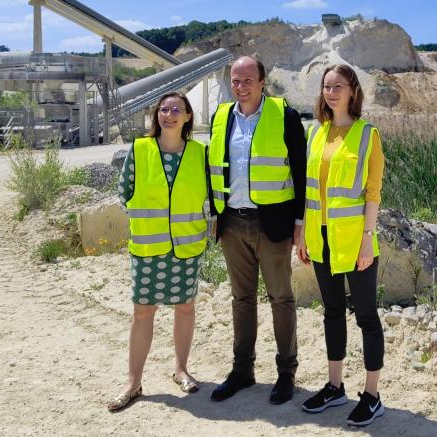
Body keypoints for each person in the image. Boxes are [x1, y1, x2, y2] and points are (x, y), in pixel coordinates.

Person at [206, 56, 307, 405]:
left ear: (263, 82)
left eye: (248, 79)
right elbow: (213, 168)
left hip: (273, 224)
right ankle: (242, 371)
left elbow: (301, 172)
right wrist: (215, 214)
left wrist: (300, 223)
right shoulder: (220, 118)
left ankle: (286, 373)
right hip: (232, 222)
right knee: (241, 299)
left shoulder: (285, 116)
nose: (241, 86)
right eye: (236, 80)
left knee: (281, 298)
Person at [105, 92, 209, 412]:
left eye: (177, 109)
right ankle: (133, 382)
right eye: (163, 109)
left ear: (188, 116)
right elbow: (124, 194)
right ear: (156, 116)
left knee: (186, 308)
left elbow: (210, 196)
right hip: (149, 248)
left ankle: (181, 370)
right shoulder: (139, 150)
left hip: (186, 247)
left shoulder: (199, 153)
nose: (169, 114)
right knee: (142, 313)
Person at [295, 64, 387, 427]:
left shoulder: (368, 134)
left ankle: (372, 395)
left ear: (352, 91)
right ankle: (335, 387)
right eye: (326, 86)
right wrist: (302, 234)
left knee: (366, 316)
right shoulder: (316, 133)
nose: (331, 92)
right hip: (320, 239)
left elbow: (373, 193)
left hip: (355, 242)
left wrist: (367, 240)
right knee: (331, 312)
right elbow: (309, 191)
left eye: (339, 86)